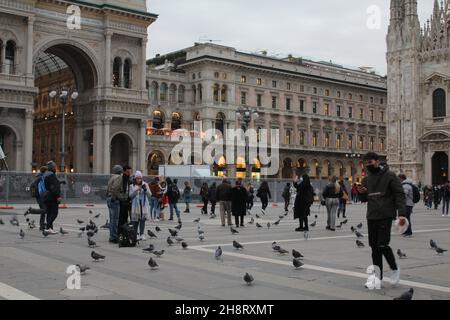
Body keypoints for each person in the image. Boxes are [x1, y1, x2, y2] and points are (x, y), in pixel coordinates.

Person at [358, 152, 406, 286]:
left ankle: (395, 269)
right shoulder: (366, 179)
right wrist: (362, 194)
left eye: (370, 162)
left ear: (377, 161)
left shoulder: (390, 175)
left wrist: (402, 213)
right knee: (374, 247)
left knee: (382, 245)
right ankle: (377, 277)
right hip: (372, 214)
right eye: (366, 163)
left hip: (386, 214)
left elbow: (399, 194)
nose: (368, 165)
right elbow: (365, 199)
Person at [129, 171, 151, 241]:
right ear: (135, 179)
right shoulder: (131, 186)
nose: (139, 180)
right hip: (135, 205)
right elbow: (130, 196)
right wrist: (136, 191)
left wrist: (145, 190)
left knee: (142, 220)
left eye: (140, 178)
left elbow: (150, 195)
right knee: (135, 221)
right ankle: (136, 234)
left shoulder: (145, 184)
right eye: (137, 178)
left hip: (143, 205)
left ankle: (142, 234)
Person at [41, 161, 61, 234]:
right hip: (52, 197)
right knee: (54, 213)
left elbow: (49, 186)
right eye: (55, 167)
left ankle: (49, 229)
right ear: (52, 168)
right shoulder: (52, 175)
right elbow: (53, 187)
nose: (55, 168)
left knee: (49, 213)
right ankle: (48, 227)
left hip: (47, 197)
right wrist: (58, 196)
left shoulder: (46, 175)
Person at [106, 165, 124, 243]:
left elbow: (108, 189)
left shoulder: (112, 177)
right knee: (115, 219)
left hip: (109, 198)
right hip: (114, 199)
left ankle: (111, 236)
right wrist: (115, 197)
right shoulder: (119, 177)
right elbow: (115, 188)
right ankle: (114, 237)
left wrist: (109, 197)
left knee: (111, 218)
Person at [31, 166, 48, 231]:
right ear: (45, 171)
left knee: (43, 210)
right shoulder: (41, 177)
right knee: (44, 210)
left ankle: (42, 225)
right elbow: (39, 186)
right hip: (40, 196)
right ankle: (32, 211)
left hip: (39, 196)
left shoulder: (40, 176)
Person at [118, 165, 132, 237]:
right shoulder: (121, 178)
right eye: (127, 172)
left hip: (127, 201)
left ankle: (124, 232)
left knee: (126, 217)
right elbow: (118, 189)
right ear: (124, 171)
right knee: (121, 217)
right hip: (121, 201)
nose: (129, 173)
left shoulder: (129, 179)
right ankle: (119, 232)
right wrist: (120, 198)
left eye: (130, 172)